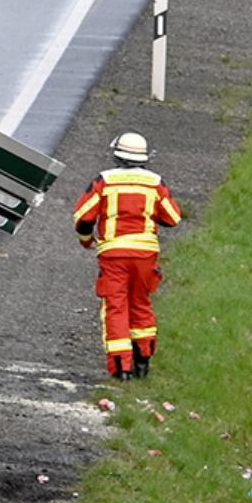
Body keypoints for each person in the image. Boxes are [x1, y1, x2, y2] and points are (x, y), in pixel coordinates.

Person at [73, 132, 183, 380]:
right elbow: (173, 218)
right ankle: (142, 362)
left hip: (114, 256)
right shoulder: (156, 182)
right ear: (144, 158)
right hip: (145, 256)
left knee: (116, 308)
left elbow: (84, 217)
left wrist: (86, 240)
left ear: (117, 155)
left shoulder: (104, 181)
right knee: (140, 304)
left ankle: (121, 368)